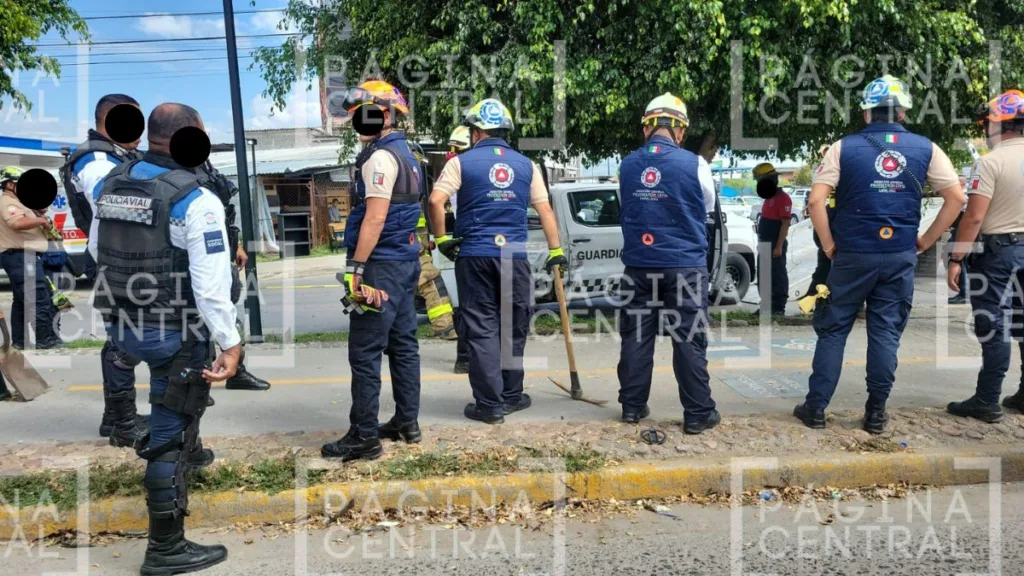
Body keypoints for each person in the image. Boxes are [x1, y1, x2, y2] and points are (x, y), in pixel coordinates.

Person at [94, 103, 239, 575]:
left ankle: (184, 457)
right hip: (173, 332)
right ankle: (166, 549)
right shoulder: (196, 199)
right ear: (192, 135)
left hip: (121, 326)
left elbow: (98, 248)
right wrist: (230, 343)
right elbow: (211, 286)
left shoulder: (112, 182)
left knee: (171, 423)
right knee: (167, 434)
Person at [794, 75, 965, 434]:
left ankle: (816, 409)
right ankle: (875, 413)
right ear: (902, 112)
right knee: (885, 332)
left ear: (867, 114)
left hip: (852, 255)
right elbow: (956, 199)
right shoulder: (927, 148)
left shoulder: (843, 147)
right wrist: (927, 239)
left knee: (834, 329)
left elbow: (815, 200)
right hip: (899, 253)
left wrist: (828, 245)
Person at [428, 98, 566, 424]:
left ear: (476, 132)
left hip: (474, 255)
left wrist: (444, 239)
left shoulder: (461, 163)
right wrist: (556, 251)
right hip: (512, 257)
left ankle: (490, 406)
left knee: (482, 328)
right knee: (512, 326)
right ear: (506, 131)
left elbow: (436, 200)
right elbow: (545, 210)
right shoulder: (526, 165)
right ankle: (512, 396)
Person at [320, 81, 423, 461]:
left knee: (364, 352)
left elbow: (376, 218)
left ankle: (364, 436)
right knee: (404, 346)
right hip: (404, 263)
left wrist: (356, 268)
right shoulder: (409, 155)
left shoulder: (379, 159)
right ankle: (406, 423)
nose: (355, 125)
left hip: (380, 267)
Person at [614, 93, 720, 433]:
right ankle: (697, 413)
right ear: (681, 131)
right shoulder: (696, 164)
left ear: (646, 129)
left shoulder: (627, 165)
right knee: (687, 337)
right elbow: (704, 206)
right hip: (684, 265)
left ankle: (632, 407)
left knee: (636, 336)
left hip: (639, 266)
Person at [63, 94, 150, 445]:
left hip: (124, 257)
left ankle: (114, 417)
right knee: (122, 341)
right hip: (117, 260)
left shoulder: (116, 155)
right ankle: (124, 426)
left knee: (121, 337)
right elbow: (115, 203)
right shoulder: (95, 159)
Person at [946, 89, 1024, 423]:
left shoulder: (989, 162)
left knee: (994, 323)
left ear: (1000, 125)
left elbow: (974, 218)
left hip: (999, 254)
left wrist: (956, 259)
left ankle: (987, 399)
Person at [195, 161, 272, 392]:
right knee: (197, 325)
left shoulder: (206, 169)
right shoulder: (176, 174)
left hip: (221, 253)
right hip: (195, 260)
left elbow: (225, 214)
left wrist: (235, 245)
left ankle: (236, 371)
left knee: (228, 315)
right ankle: (198, 382)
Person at [0, 167, 62, 350]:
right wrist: (42, 221)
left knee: (21, 301)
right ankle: (45, 340)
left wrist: (38, 214)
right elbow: (17, 223)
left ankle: (20, 341)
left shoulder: (19, 202)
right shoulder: (8, 203)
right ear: (10, 184)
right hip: (21, 257)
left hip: (23, 256)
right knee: (38, 298)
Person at [446, 125, 472, 374]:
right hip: (474, 241)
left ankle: (465, 357)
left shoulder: (457, 168)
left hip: (465, 240)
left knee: (468, 303)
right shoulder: (466, 170)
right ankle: (466, 356)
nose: (452, 154)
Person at [753, 162, 792, 316]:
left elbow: (785, 224)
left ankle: (778, 307)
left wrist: (779, 246)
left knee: (777, 275)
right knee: (764, 275)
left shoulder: (783, 198)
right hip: (764, 242)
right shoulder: (768, 198)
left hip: (776, 243)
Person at [947, 173, 971, 305]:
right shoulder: (965, 194)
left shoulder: (963, 195)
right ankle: (964, 292)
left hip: (962, 233)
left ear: (961, 183)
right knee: (962, 262)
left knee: (959, 261)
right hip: (961, 231)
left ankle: (964, 293)